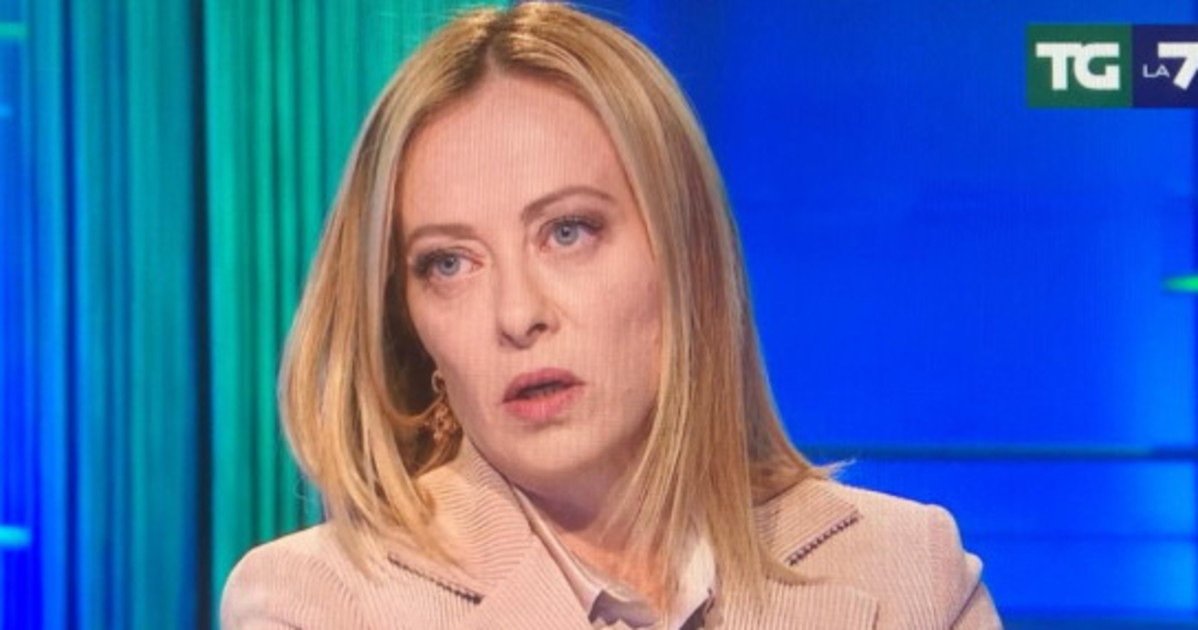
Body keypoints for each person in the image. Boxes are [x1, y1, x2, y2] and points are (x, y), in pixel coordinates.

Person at [220, 2, 1002, 628]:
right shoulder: (321, 603)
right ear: (412, 322)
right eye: (449, 263)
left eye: (568, 231)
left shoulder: (907, 568)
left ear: (689, 257)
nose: (517, 314)